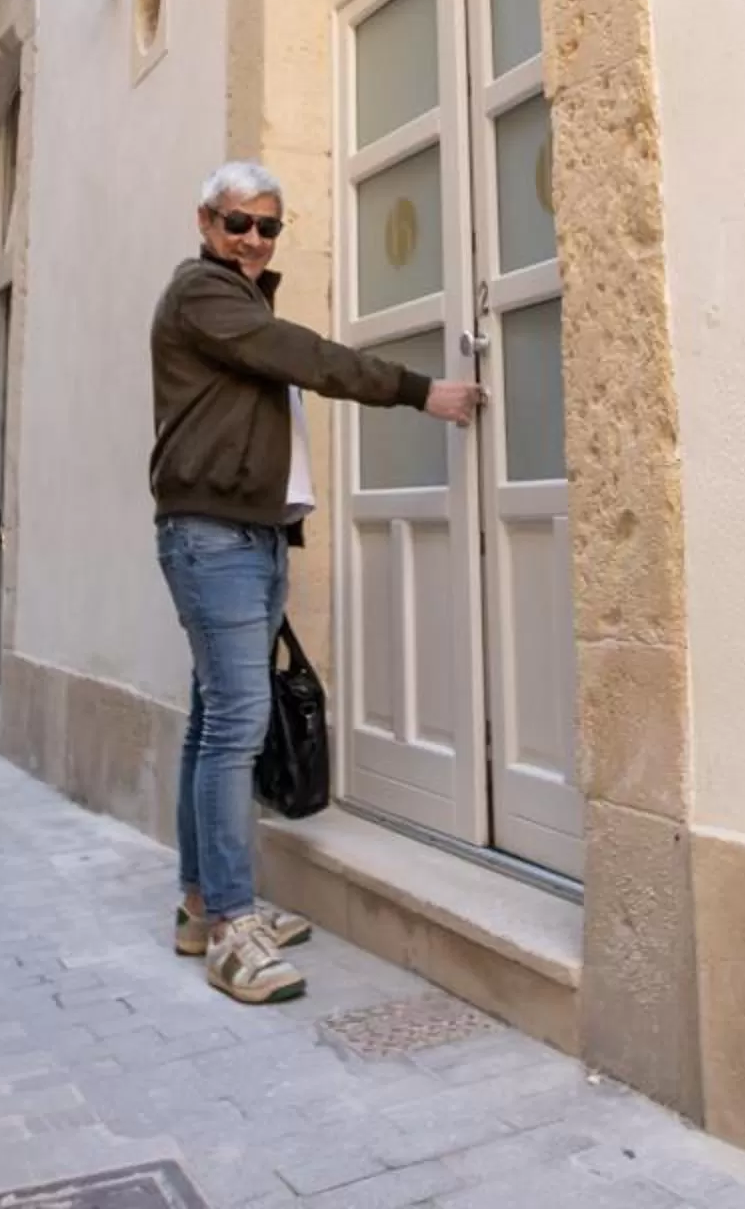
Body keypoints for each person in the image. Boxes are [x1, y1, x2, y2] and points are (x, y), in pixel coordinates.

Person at [150, 160, 482, 1004]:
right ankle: (231, 924)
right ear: (205, 221)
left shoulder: (237, 299)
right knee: (235, 729)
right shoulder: (203, 293)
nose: (253, 241)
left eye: (268, 227)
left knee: (212, 722)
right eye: (238, 224)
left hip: (247, 535)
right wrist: (419, 392)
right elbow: (306, 358)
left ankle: (201, 905)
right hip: (214, 537)